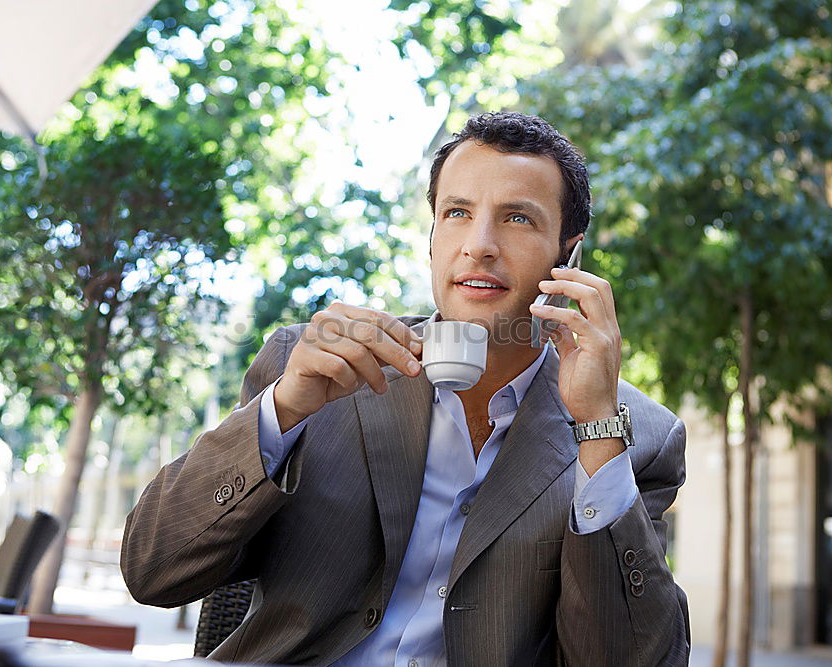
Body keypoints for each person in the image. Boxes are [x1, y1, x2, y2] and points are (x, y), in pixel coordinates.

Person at [121, 111, 690, 665]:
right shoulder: (315, 366)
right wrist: (285, 409)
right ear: (433, 236)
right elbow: (152, 570)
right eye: (458, 213)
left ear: (569, 254)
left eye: (517, 218)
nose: (480, 244)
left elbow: (637, 657)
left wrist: (595, 427)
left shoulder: (635, 436)